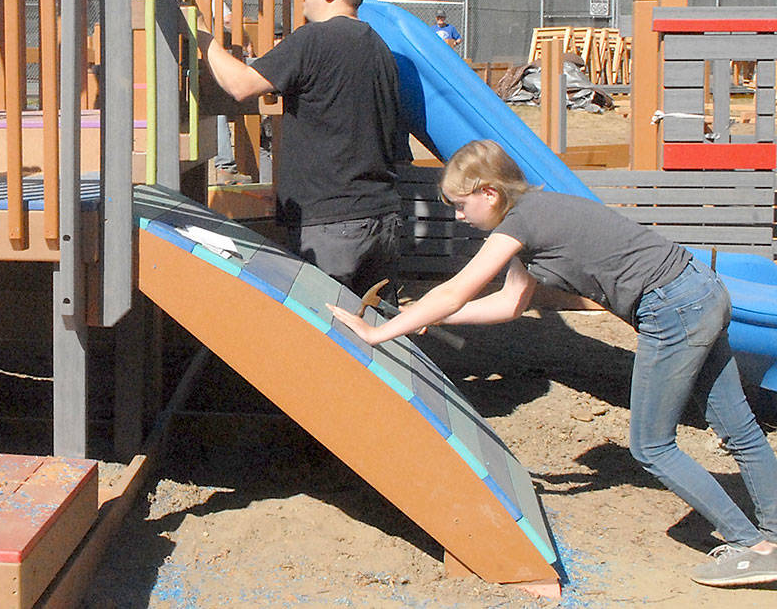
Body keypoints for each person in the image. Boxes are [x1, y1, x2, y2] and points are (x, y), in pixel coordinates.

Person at [330, 139, 777, 589]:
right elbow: (509, 304)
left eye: (461, 205)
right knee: (739, 430)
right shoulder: (537, 213)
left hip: (670, 309)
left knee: (652, 447)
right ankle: (774, 536)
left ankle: (749, 547)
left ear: (489, 193)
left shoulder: (520, 225)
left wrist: (379, 332)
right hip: (701, 289)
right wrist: (434, 316)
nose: (459, 216)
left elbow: (457, 288)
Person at [195, 0, 406, 300]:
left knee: (322, 341)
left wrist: (201, 34)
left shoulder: (314, 39)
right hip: (382, 218)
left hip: (332, 227)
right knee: (373, 338)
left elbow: (241, 85)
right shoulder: (381, 50)